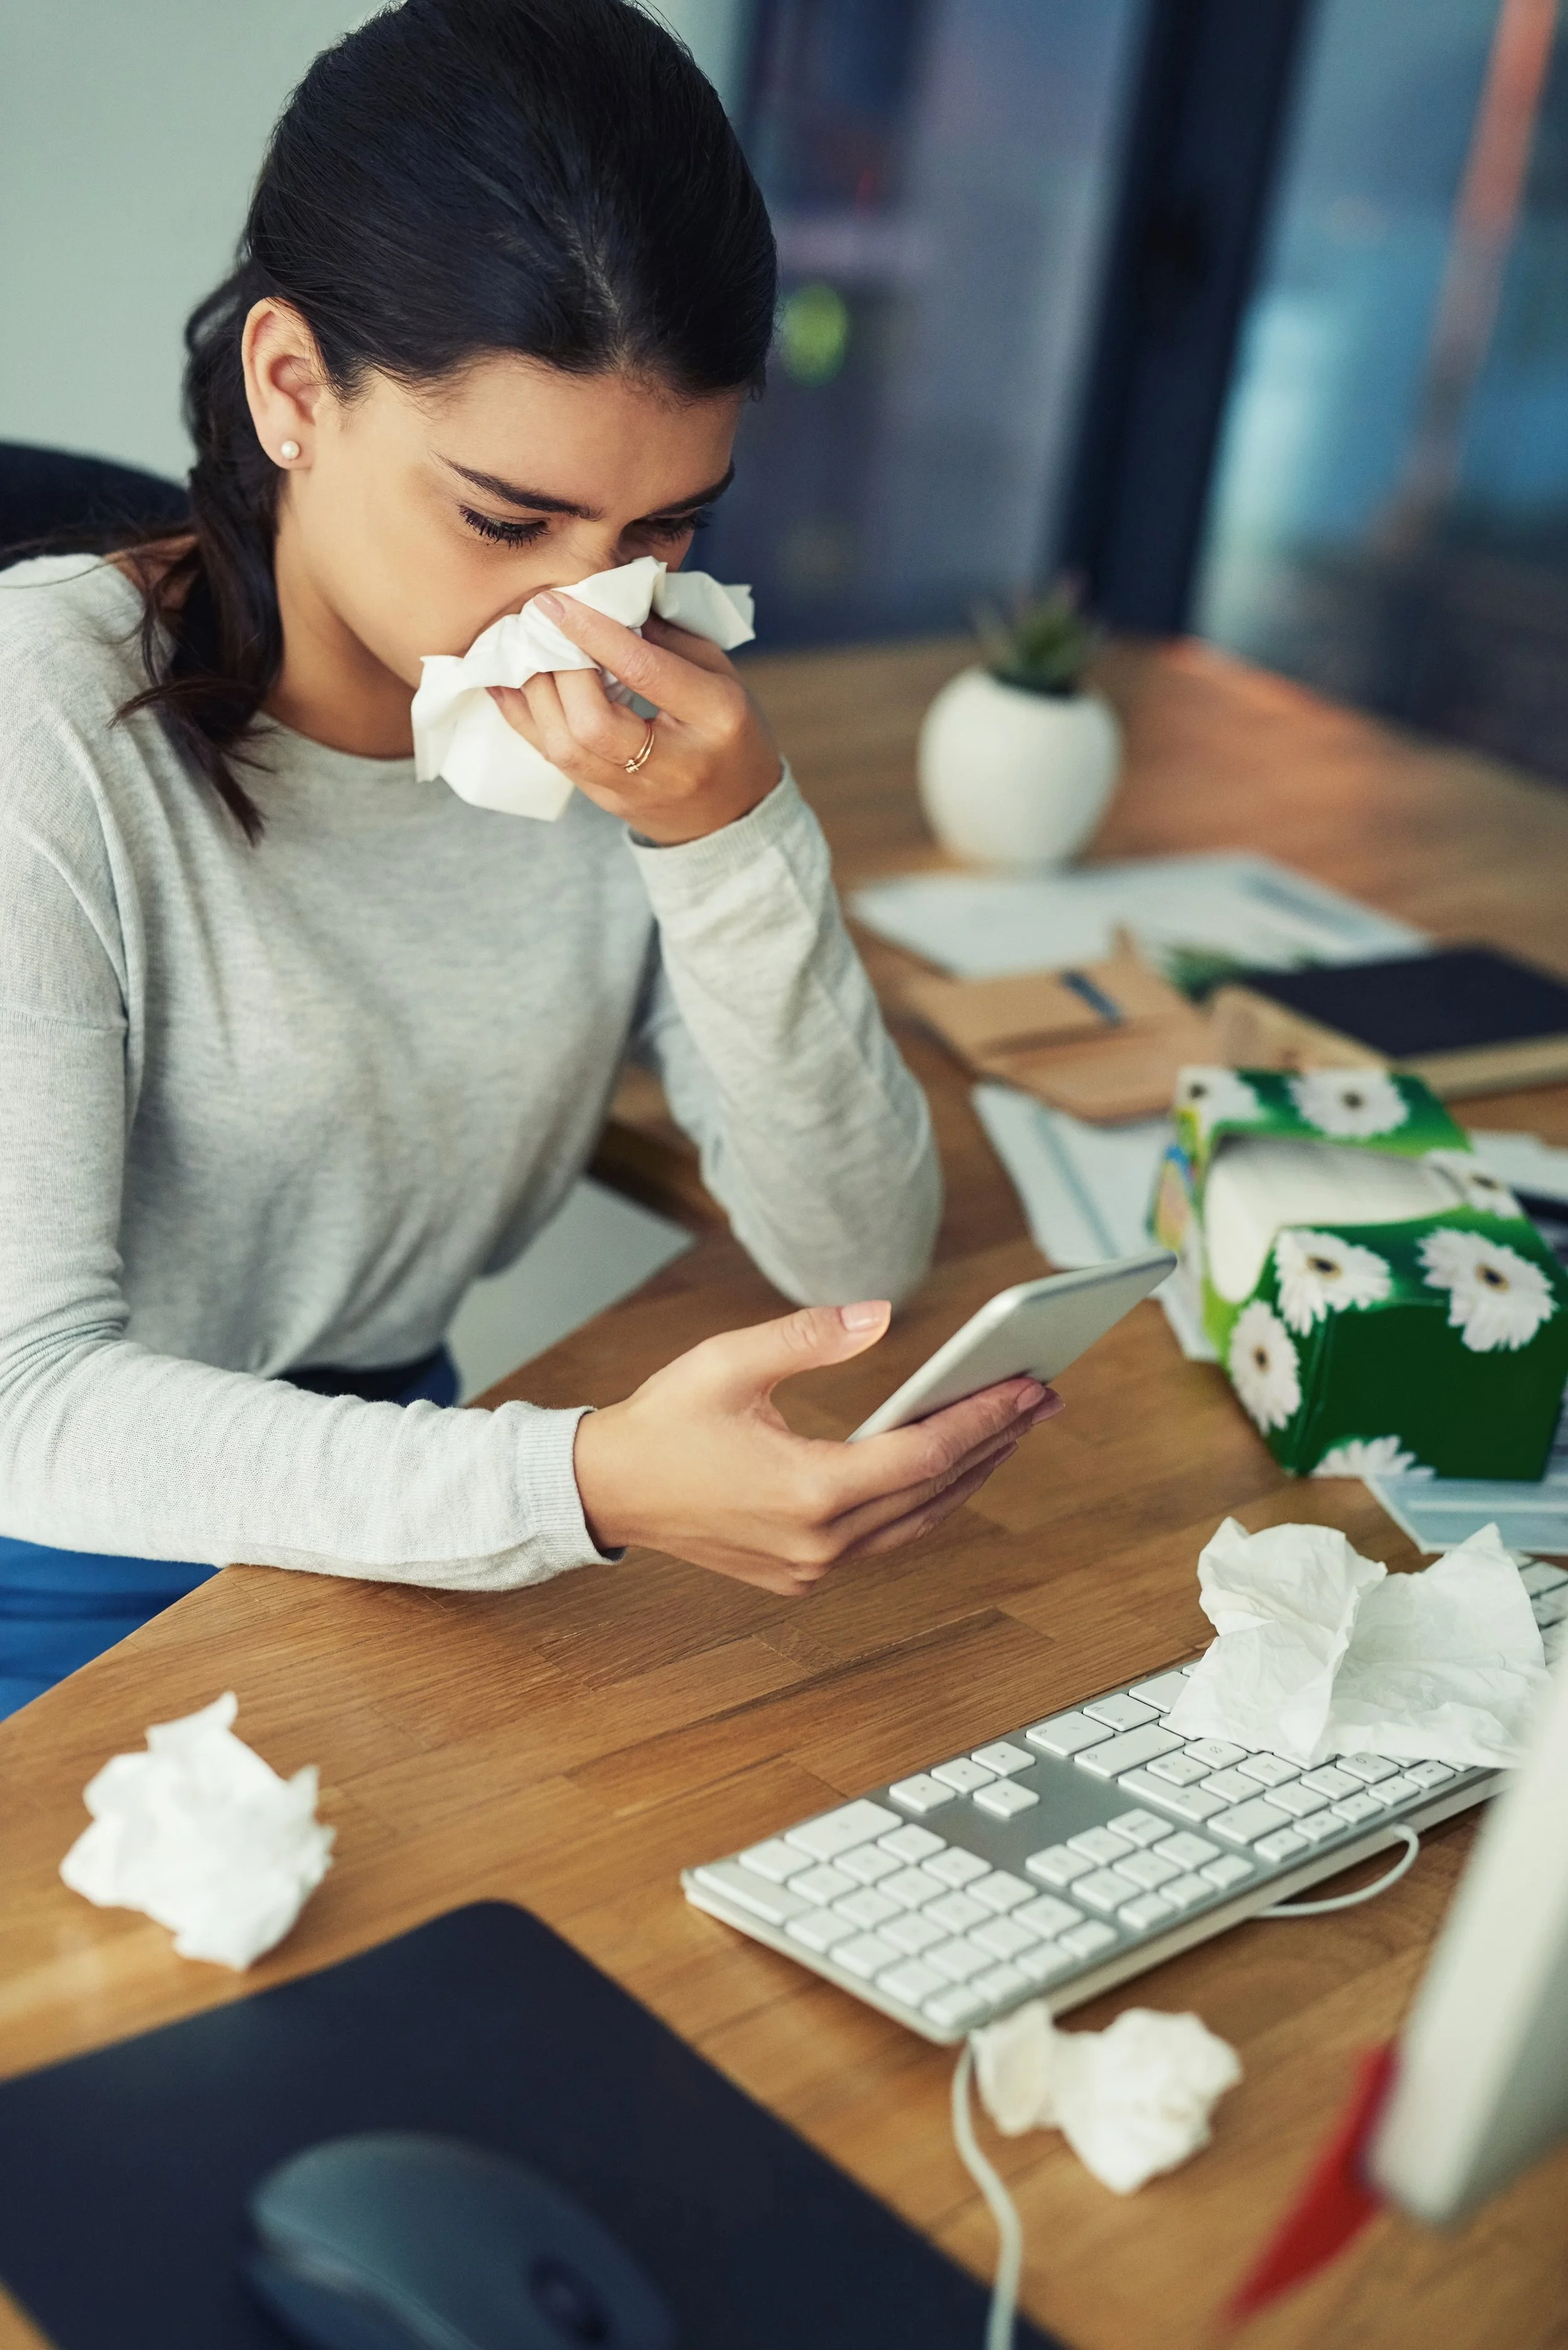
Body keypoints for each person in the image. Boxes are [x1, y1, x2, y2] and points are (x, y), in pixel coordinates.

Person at [0, 0, 1061, 1721]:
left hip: (412, 1516)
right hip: (54, 1559)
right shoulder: (40, 723)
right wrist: (573, 1486)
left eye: (663, 527)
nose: (586, 606)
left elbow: (852, 1250)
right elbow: (24, 1405)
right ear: (292, 388)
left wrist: (731, 834)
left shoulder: (636, 721)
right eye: (505, 519)